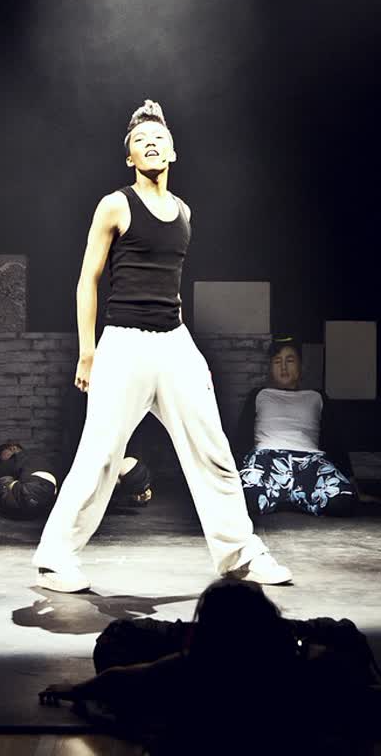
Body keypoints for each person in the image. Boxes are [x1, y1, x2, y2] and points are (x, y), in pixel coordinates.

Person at [31, 100, 290, 592]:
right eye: (139, 141)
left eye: (158, 138)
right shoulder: (115, 205)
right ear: (129, 157)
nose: (150, 144)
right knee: (101, 455)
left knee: (213, 451)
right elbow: (88, 281)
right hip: (123, 343)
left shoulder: (184, 213)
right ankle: (55, 559)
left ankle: (240, 555)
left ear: (173, 151)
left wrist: (191, 355)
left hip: (173, 342)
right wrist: (87, 351)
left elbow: (170, 290)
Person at [39, 579, 381, 751]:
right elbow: (366, 699)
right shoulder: (305, 667)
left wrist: (74, 690)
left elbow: (123, 678)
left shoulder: (193, 667)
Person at [231, 336, 358, 516]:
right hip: (267, 460)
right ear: (270, 368)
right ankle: (293, 498)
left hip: (310, 462)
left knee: (344, 500)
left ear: (301, 366)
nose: (283, 367)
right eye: (277, 361)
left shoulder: (317, 397)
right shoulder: (259, 395)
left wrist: (352, 481)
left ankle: (285, 498)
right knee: (242, 499)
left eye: (289, 361)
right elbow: (241, 439)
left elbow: (334, 441)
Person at [0, 440, 151, 518]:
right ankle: (131, 481)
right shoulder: (12, 463)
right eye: (7, 451)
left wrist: (131, 492)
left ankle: (132, 481)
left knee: (134, 473)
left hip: (68, 481)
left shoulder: (30, 457)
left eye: (14, 448)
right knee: (35, 493)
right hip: (49, 488)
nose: (12, 451)